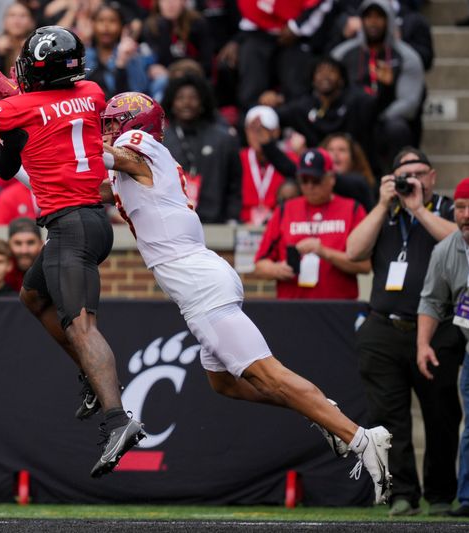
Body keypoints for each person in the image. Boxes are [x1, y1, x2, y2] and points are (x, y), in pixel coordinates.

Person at [104, 90, 393, 504]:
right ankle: (320, 409)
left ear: (137, 125)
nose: (108, 130)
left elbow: (100, 158)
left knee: (269, 375)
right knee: (225, 384)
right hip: (203, 279)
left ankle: (362, 438)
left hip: (201, 287)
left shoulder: (139, 146)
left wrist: (53, 125)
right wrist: (13, 153)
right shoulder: (132, 165)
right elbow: (73, 182)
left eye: (115, 122)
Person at [0, 26, 144, 478]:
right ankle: (93, 381)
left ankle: (118, 419)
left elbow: (5, 167)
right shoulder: (94, 93)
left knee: (81, 326)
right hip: (94, 224)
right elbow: (55, 105)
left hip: (69, 226)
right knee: (32, 296)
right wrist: (15, 94)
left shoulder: (17, 108)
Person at [346, 148, 464, 516]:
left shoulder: (446, 209)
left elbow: (459, 241)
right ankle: (402, 494)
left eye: (418, 173)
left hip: (437, 328)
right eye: (403, 174)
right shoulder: (386, 212)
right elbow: (353, 251)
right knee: (388, 417)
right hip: (385, 326)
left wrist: (417, 209)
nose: (410, 180)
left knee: (441, 415)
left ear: (431, 177)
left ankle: (442, 495)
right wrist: (383, 204)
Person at [417, 178, 469, 518]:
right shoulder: (445, 250)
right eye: (462, 208)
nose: (467, 215)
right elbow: (432, 301)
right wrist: (423, 343)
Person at [253, 148, 371, 299]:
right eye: (303, 180)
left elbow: (365, 266)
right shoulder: (285, 210)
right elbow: (259, 265)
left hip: (337, 309)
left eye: (316, 180)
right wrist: (277, 269)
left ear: (332, 178)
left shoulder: (352, 209)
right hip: (292, 307)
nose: (309, 186)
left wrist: (324, 252)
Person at [331, 0, 425, 173]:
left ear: (389, 21)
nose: (373, 22)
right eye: (368, 17)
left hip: (385, 120)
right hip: (352, 118)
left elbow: (409, 103)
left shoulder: (407, 56)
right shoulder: (342, 54)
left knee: (397, 129)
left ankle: (397, 182)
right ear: (361, 20)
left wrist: (375, 115)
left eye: (379, 17)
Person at [161, 73, 241, 223]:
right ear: (171, 103)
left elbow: (235, 183)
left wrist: (232, 217)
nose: (186, 103)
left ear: (203, 101)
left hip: (216, 222)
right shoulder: (161, 141)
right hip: (172, 223)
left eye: (193, 97)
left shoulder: (223, 139)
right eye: (180, 98)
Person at [4, 216, 43, 292]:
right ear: (8, 245)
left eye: (30, 242)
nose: (24, 250)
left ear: (41, 244)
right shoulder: (0, 276)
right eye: (18, 243)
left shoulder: (51, 275)